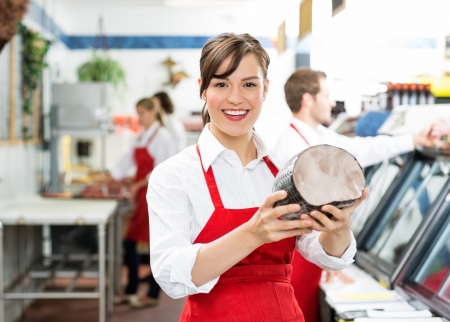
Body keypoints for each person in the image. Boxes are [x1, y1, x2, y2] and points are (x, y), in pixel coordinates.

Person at [148, 33, 368, 321]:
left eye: (249, 84)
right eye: (221, 84)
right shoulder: (173, 175)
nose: (235, 97)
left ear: (265, 88)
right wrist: (253, 233)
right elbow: (170, 275)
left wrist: (338, 227)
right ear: (203, 89)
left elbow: (318, 252)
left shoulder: (283, 171)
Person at [274, 68, 443, 322]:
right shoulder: (294, 149)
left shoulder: (318, 135)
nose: (332, 102)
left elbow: (361, 149)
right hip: (297, 262)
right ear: (308, 99)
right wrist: (325, 256)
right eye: (327, 95)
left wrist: (414, 139)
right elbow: (299, 223)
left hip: (311, 259)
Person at [108, 98, 175, 308]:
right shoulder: (142, 137)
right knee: (133, 243)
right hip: (142, 195)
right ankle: (132, 289)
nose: (139, 118)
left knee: (152, 245)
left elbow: (162, 169)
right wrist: (110, 178)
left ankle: (151, 293)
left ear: (153, 112)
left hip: (155, 195)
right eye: (137, 114)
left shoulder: (162, 136)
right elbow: (126, 161)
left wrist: (137, 185)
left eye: (142, 113)